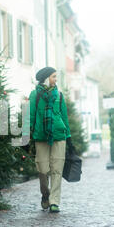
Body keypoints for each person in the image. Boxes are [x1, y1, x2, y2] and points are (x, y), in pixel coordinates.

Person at [29, 67, 73, 213]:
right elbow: (30, 116)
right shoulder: (35, 95)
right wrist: (26, 136)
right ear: (46, 78)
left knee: (57, 169)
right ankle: (45, 195)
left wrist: (69, 138)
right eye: (54, 76)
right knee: (42, 169)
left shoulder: (59, 95)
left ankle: (54, 202)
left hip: (59, 135)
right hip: (41, 136)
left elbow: (64, 117)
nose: (55, 79)